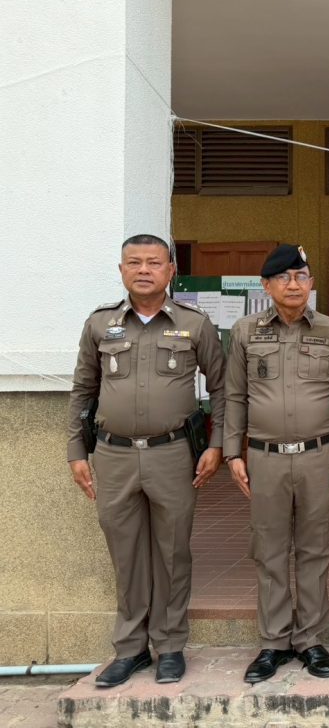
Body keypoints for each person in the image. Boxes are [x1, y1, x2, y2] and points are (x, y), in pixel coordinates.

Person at [67, 234, 225, 687]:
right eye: (133, 263)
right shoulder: (100, 324)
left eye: (154, 263)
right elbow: (83, 389)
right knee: (126, 554)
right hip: (113, 455)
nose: (143, 270)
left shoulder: (194, 325)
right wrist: (76, 450)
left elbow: (223, 389)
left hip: (172, 454)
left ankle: (170, 645)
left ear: (170, 271)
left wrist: (216, 445)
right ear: (121, 271)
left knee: (172, 552)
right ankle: (130, 649)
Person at [223, 244, 329, 683]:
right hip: (264, 457)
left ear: (312, 283)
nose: (293, 284)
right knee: (269, 549)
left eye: (301, 276)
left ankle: (310, 639)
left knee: (315, 546)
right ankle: (273, 641)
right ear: (266, 286)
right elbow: (235, 395)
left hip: (320, 456)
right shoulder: (245, 332)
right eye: (283, 277)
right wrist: (232, 451)